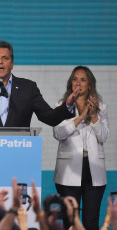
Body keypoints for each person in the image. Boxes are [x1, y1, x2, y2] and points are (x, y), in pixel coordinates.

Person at [53, 66, 109, 230]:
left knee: (91, 221)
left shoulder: (101, 107)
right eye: (75, 79)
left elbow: (103, 137)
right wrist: (81, 117)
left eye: (83, 80)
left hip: (94, 171)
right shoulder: (62, 105)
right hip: (68, 171)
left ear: (90, 85)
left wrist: (93, 116)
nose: (78, 83)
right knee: (70, 221)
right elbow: (58, 133)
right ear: (71, 84)